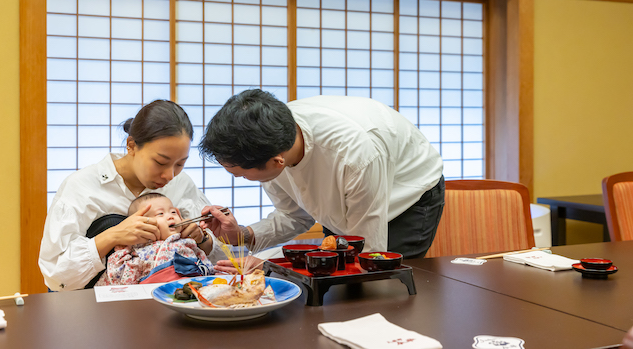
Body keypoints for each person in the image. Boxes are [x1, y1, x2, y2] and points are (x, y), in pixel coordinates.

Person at [199, 89, 445, 270]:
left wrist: (269, 264)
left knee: (379, 282)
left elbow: (367, 249)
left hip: (408, 194)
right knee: (333, 275)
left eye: (239, 174)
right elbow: (294, 215)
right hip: (358, 186)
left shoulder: (354, 155)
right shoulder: (267, 137)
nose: (238, 178)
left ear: (277, 162)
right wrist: (242, 235)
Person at [39, 100, 222, 291]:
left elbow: (214, 257)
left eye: (180, 164)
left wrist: (201, 238)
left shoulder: (181, 184)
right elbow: (55, 276)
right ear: (132, 146)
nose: (170, 175)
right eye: (161, 162)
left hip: (174, 302)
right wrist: (112, 235)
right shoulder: (82, 186)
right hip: (96, 308)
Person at [96, 193, 215, 286]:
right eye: (160, 214)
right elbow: (118, 276)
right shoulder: (138, 249)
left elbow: (204, 264)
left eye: (173, 212)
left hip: (188, 290)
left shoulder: (187, 242)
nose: (170, 216)